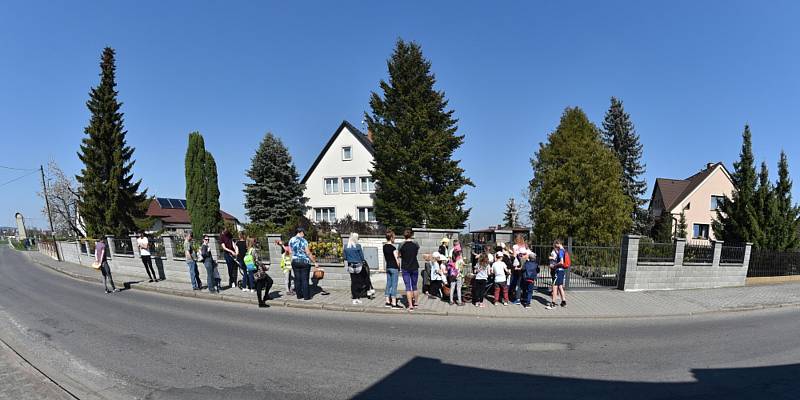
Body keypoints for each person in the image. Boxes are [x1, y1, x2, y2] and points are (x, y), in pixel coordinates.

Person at [288, 227, 317, 301]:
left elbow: (290, 252)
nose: (304, 235)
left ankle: (299, 296)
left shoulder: (291, 240)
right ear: (300, 232)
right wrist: (314, 262)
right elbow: (307, 252)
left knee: (297, 279)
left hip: (295, 261)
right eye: (303, 233)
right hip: (304, 262)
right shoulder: (304, 241)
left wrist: (291, 261)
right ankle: (306, 296)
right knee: (305, 279)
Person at [397, 229, 420, 310]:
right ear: (411, 235)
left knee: (408, 287)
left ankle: (410, 305)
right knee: (414, 286)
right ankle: (416, 303)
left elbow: (399, 255)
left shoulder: (401, 245)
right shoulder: (416, 244)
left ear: (404, 236)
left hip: (405, 267)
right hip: (414, 266)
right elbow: (416, 252)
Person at [344, 233, 368, 304]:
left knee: (353, 281)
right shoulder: (358, 246)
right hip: (358, 265)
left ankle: (354, 297)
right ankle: (358, 295)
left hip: (350, 266)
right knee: (360, 281)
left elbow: (345, 257)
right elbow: (362, 257)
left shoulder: (346, 247)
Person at [249, 238, 273, 308]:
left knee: (269, 281)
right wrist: (264, 267)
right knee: (260, 285)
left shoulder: (249, 250)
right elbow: (257, 261)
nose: (256, 242)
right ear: (252, 242)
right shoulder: (253, 250)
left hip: (254, 269)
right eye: (255, 241)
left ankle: (265, 296)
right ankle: (261, 302)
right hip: (258, 270)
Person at [382, 230, 402, 309]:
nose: (395, 239)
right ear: (391, 237)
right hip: (394, 267)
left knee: (388, 284)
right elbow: (397, 259)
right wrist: (399, 267)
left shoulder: (384, 247)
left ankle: (387, 301)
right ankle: (394, 303)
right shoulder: (393, 248)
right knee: (394, 285)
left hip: (388, 267)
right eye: (394, 237)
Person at [547, 240, 568, 310]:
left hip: (558, 271)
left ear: (558, 244)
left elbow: (561, 262)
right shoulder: (564, 250)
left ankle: (553, 304)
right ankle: (563, 302)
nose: (555, 247)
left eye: (556, 246)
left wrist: (554, 266)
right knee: (560, 286)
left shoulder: (561, 252)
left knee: (554, 287)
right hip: (562, 271)